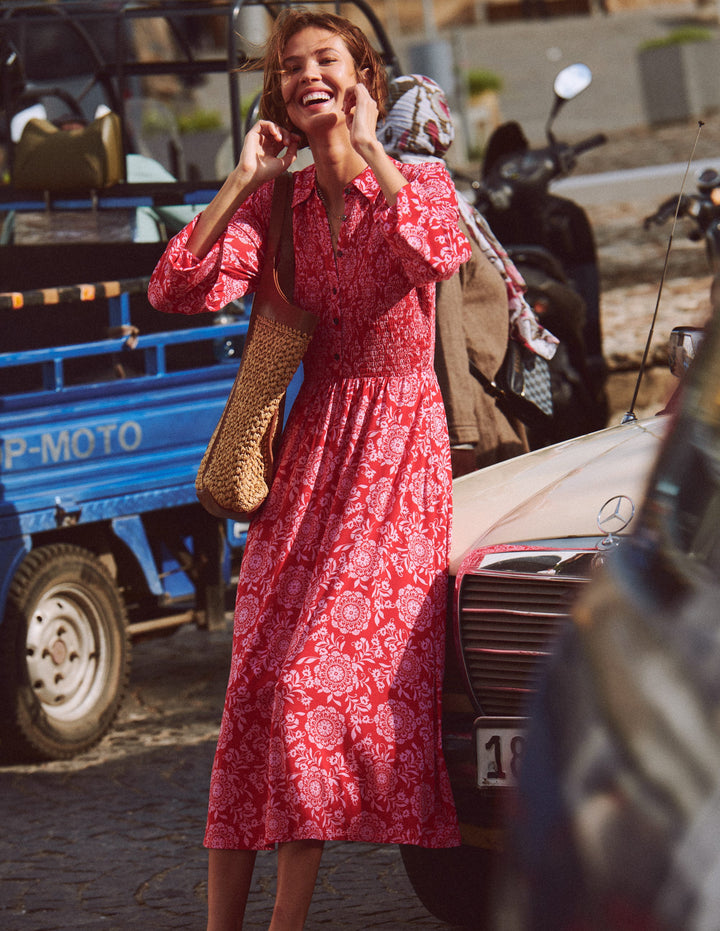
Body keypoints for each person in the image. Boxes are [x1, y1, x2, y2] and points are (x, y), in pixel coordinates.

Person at [147, 10, 471, 930]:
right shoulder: (273, 202)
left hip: (396, 453)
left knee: (308, 686)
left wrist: (371, 150)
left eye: (325, 60)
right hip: (311, 449)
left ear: (361, 72)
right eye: (291, 68)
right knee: (254, 688)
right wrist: (243, 175)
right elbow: (174, 287)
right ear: (278, 91)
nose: (306, 76)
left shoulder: (418, 182)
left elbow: (437, 250)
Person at [378, 74, 557, 475]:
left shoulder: (431, 196)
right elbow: (442, 328)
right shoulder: (427, 204)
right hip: (476, 416)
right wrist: (461, 434)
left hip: (484, 402)